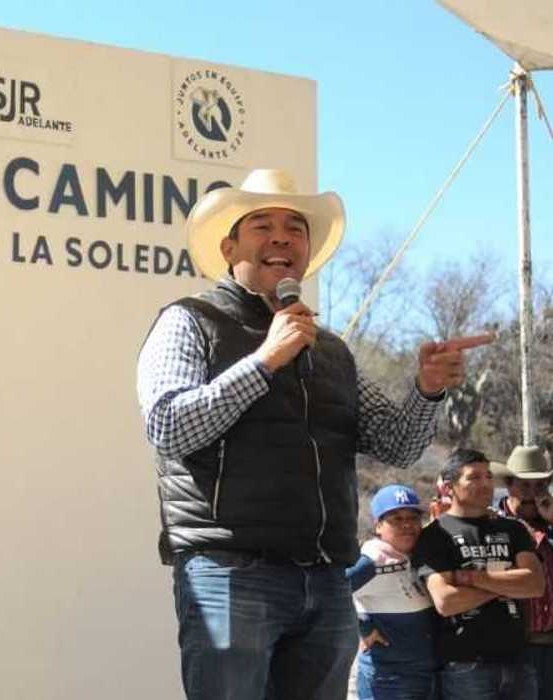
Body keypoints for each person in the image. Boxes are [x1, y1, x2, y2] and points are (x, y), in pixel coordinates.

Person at [136, 168, 493, 700]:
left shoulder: (331, 351)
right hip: (230, 571)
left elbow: (397, 445)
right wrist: (264, 362)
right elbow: (169, 426)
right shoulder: (189, 321)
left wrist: (425, 389)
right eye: (262, 224)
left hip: (326, 578)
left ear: (305, 253)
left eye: (295, 228)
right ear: (229, 244)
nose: (282, 236)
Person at [414, 448, 544, 700]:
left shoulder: (513, 529)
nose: (486, 484)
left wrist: (472, 578)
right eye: (474, 477)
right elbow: (447, 601)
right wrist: (508, 582)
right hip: (466, 666)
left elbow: (535, 584)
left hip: (519, 661)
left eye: (488, 477)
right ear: (449, 487)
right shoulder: (435, 535)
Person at [347, 485, 437, 700]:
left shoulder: (414, 555)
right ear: (378, 525)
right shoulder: (372, 560)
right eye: (396, 519)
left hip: (426, 672)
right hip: (390, 679)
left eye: (413, 518)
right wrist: (365, 628)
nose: (407, 525)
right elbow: (334, 589)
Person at [494, 446, 553, 700]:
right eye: (524, 486)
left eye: (539, 486)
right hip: (511, 649)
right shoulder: (491, 524)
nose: (532, 495)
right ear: (508, 484)